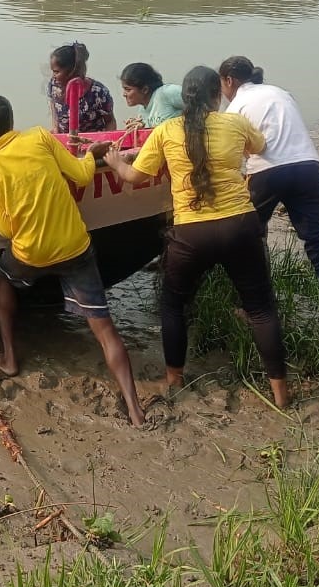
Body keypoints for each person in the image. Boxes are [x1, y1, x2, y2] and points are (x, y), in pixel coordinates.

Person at [105, 66, 290, 407]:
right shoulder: (234, 122)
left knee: (174, 304)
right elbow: (259, 145)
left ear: (184, 98)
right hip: (240, 225)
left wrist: (116, 161)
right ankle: (280, 393)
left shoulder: (166, 131)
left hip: (192, 232)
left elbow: (134, 176)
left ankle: (174, 378)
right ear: (216, 96)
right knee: (261, 309)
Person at [0, 95, 145, 426]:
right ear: (13, 119)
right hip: (74, 247)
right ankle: (135, 410)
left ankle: (9, 358)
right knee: (105, 329)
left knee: (3, 281)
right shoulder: (39, 136)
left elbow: (4, 229)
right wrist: (91, 154)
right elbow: (82, 176)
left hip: (30, 253)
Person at [219, 56, 319, 357]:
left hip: (265, 171)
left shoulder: (234, 107)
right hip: (307, 167)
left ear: (228, 81)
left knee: (247, 236)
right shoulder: (280, 92)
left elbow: (234, 154)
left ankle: (253, 309)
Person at [48, 42, 116, 135]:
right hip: (64, 139)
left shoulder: (98, 93)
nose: (53, 76)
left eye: (56, 72)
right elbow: (53, 105)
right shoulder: (54, 85)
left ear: (71, 71)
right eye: (53, 71)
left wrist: (107, 143)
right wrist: (55, 128)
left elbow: (110, 121)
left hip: (92, 142)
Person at [118, 62, 183, 128]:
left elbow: (193, 102)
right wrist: (141, 128)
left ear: (145, 90)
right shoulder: (142, 110)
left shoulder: (167, 93)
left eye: (128, 89)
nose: (124, 94)